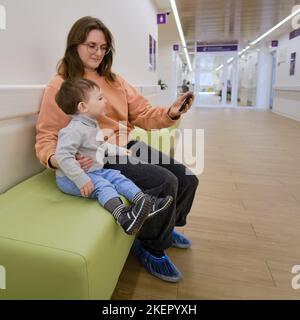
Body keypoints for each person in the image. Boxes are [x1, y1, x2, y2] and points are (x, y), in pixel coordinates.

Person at [35, 16, 198, 283]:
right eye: (91, 46)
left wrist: (170, 112)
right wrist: (59, 161)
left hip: (127, 145)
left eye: (103, 47)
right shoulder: (62, 84)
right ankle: (150, 247)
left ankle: (165, 227)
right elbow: (46, 136)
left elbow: (144, 113)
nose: (98, 53)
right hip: (99, 154)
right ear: (74, 45)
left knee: (188, 178)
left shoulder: (115, 80)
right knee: (165, 182)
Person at [54, 78, 173, 236]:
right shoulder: (74, 130)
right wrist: (81, 179)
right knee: (103, 186)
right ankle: (124, 217)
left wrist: (119, 150)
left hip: (94, 171)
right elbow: (62, 156)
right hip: (70, 179)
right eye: (100, 98)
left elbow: (100, 146)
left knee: (117, 176)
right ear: (83, 106)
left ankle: (145, 202)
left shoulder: (91, 124)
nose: (105, 101)